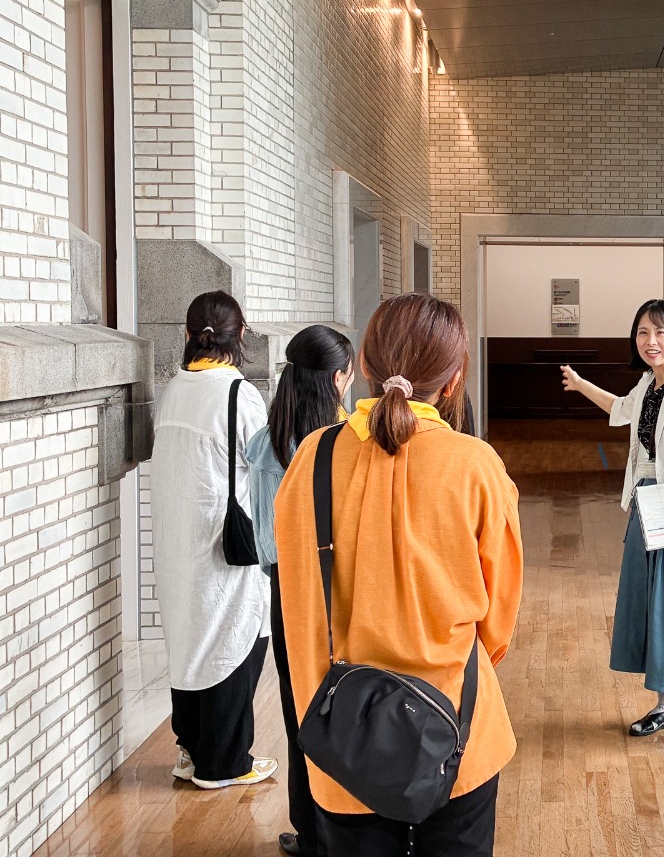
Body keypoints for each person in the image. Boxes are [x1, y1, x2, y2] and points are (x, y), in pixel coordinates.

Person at [273, 294, 523, 857]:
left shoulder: (311, 458)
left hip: (344, 738)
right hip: (457, 729)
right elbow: (498, 619)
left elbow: (297, 599)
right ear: (454, 380)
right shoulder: (475, 465)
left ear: (361, 363)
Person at [561, 298, 664, 753]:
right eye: (643, 333)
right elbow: (620, 409)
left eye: (660, 333)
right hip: (646, 504)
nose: (650, 342)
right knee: (652, 606)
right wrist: (580, 383)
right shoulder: (650, 383)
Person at [151, 290, 276, 790]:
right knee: (236, 638)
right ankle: (225, 763)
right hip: (226, 543)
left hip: (176, 541)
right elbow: (263, 467)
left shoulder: (173, 388)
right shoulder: (239, 394)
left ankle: (192, 751)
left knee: (188, 639)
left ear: (187, 336)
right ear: (240, 335)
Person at [246, 325, 355, 857]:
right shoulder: (346, 441)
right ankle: (356, 826)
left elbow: (266, 537)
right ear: (339, 378)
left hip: (286, 591)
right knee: (352, 705)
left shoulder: (264, 441)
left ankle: (311, 834)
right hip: (342, 591)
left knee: (300, 712)